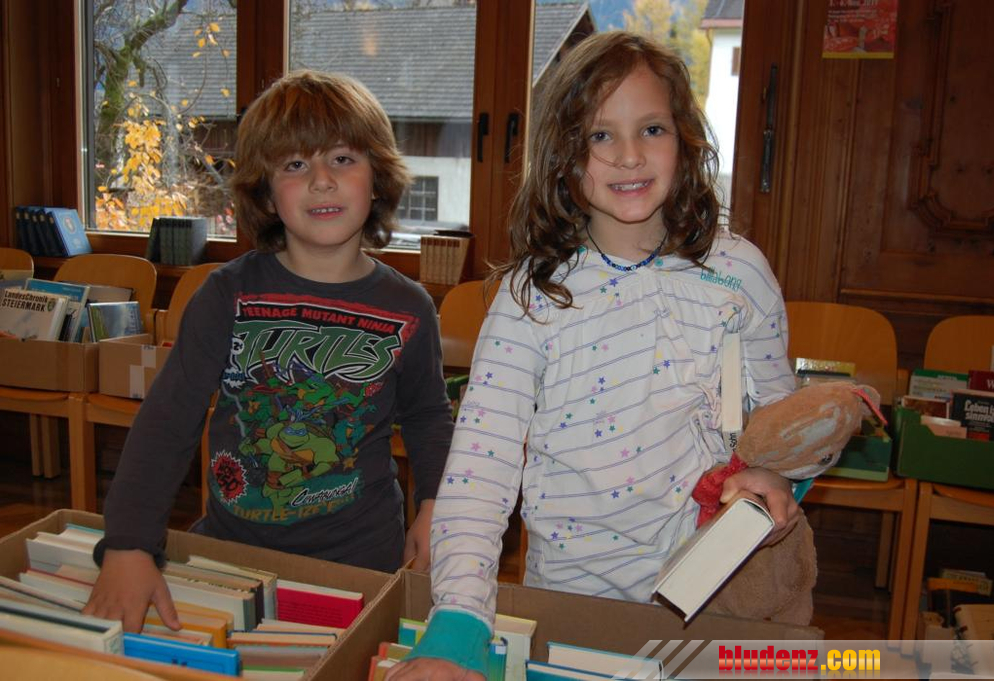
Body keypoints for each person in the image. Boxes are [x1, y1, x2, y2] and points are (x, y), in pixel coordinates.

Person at [388, 32, 801, 680]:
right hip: (567, 601)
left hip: (712, 597)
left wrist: (780, 478)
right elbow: (480, 468)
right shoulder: (530, 296)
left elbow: (786, 420)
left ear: (685, 139)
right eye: (600, 135)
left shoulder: (740, 271)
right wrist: (459, 623)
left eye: (652, 128)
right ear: (563, 155)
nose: (629, 154)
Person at [83, 70, 454, 634]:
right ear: (265, 191)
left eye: (343, 158)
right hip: (234, 557)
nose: (322, 181)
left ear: (377, 177)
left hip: (362, 564)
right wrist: (129, 545)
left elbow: (429, 418)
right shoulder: (225, 294)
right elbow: (167, 420)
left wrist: (434, 506)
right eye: (295, 164)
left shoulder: (411, 306)